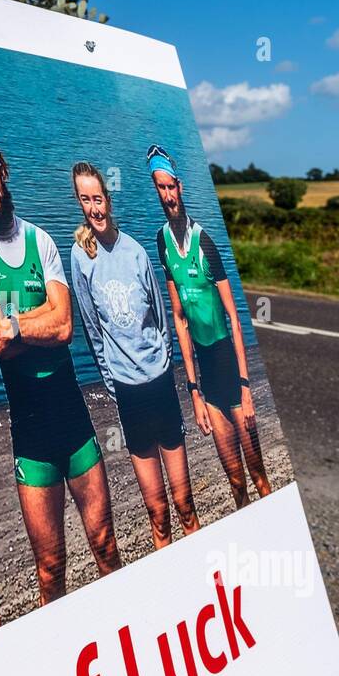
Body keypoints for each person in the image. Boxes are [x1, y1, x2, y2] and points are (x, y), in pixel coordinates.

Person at [0, 113, 121, 605]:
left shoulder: (40, 239)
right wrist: (30, 320)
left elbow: (64, 327)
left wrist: (17, 324)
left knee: (105, 544)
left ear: (3, 171)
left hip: (74, 418)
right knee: (49, 567)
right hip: (28, 429)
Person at [68, 161, 200, 546]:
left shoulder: (136, 252)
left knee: (184, 501)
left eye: (98, 198)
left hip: (160, 384)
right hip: (128, 394)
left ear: (108, 198)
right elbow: (93, 331)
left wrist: (161, 362)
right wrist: (114, 383)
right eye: (85, 200)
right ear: (80, 203)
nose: (94, 208)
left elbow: (162, 318)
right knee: (157, 512)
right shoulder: (81, 258)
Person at [148, 144, 271, 508]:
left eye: (172, 187)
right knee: (235, 481)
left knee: (258, 473)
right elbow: (179, 319)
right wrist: (194, 392)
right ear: (155, 190)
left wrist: (247, 388)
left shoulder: (205, 243)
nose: (168, 195)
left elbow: (234, 317)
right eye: (160, 188)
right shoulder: (162, 242)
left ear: (181, 187)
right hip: (209, 386)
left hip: (233, 377)